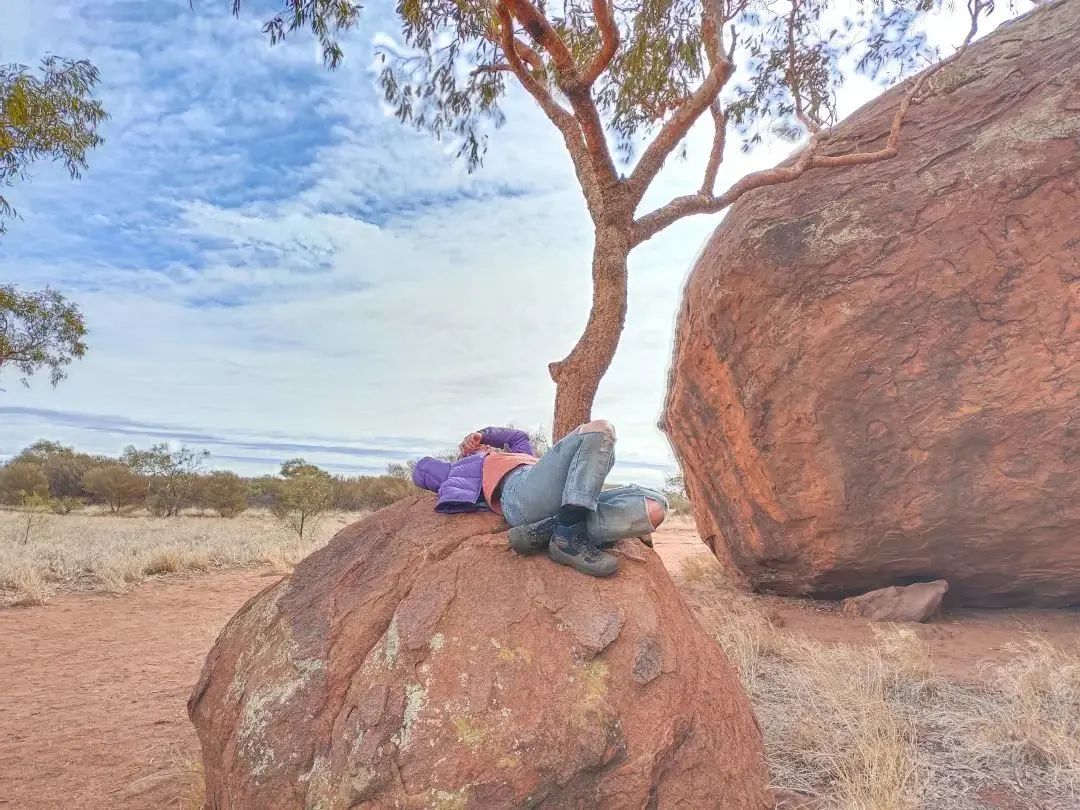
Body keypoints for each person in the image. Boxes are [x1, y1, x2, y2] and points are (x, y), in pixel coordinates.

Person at [411, 420, 667, 577]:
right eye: (481, 447)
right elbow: (422, 469)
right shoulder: (460, 469)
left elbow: (517, 437)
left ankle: (554, 529)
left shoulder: (523, 455)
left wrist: (483, 433)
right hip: (520, 495)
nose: (486, 448)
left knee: (655, 506)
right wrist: (466, 451)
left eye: (487, 446)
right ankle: (568, 537)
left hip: (558, 492)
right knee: (600, 431)